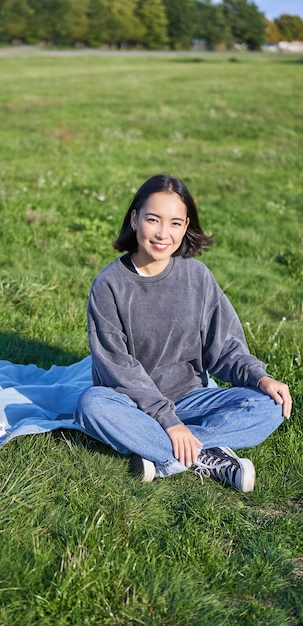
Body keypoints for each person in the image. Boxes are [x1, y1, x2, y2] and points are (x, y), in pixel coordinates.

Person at [74, 174, 292, 492]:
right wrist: (167, 420)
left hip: (191, 399)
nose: (164, 234)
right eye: (153, 220)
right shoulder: (109, 285)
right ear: (134, 219)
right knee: (91, 405)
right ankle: (202, 453)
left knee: (270, 405)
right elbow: (118, 369)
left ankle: (164, 456)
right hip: (133, 405)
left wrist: (260, 378)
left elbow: (225, 347)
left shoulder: (197, 277)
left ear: (186, 225)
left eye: (175, 223)